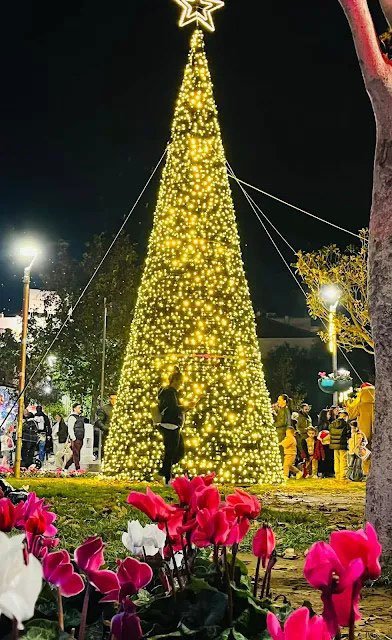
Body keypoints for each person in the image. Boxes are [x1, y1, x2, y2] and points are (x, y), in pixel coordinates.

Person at [155, 369, 195, 484]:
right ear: (175, 381)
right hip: (170, 425)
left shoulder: (170, 392)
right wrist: (186, 407)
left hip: (173, 425)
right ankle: (164, 476)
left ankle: (164, 473)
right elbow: (173, 408)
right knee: (172, 453)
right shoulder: (170, 392)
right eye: (180, 382)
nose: (181, 385)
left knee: (176, 453)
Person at [329, 410, 350, 481]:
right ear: (345, 416)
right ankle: (343, 477)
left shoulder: (332, 423)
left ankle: (337, 476)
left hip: (334, 445)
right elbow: (348, 434)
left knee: (336, 460)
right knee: (343, 460)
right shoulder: (346, 424)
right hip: (343, 444)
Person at [65, 403, 85, 471]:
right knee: (76, 455)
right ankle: (78, 469)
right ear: (74, 408)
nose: (80, 409)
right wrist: (73, 438)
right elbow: (70, 428)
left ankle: (66, 466)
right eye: (79, 408)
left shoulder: (80, 417)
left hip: (80, 438)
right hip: (76, 438)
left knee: (76, 454)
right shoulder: (72, 417)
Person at [273, 395, 292, 462]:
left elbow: (282, 422)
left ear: (284, 401)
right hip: (283, 433)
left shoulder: (283, 410)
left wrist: (272, 425)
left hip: (281, 434)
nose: (278, 402)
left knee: (281, 452)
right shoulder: (284, 410)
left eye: (279, 400)